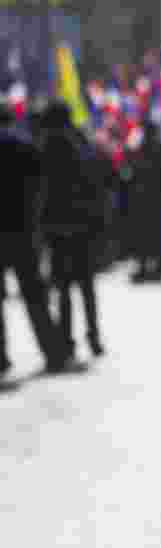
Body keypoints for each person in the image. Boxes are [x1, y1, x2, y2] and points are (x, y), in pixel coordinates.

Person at [0, 105, 70, 376]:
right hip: (23, 231)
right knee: (35, 296)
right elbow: (42, 188)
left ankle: (2, 358)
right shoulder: (25, 146)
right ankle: (54, 352)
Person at [37, 101, 106, 360]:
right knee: (85, 287)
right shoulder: (81, 144)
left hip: (57, 228)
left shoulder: (44, 148)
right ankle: (93, 336)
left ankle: (67, 341)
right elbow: (95, 186)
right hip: (81, 226)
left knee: (64, 288)